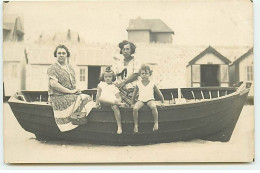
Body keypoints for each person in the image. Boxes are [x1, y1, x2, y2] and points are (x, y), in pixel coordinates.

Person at [47, 45, 94, 132]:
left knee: (85, 97)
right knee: (86, 98)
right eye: (59, 53)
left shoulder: (70, 68)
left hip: (69, 94)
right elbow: (54, 85)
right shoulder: (52, 68)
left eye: (63, 53)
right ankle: (71, 123)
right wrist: (71, 91)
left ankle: (77, 120)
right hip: (58, 97)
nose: (61, 55)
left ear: (67, 55)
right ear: (55, 55)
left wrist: (75, 90)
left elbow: (72, 84)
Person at [131, 64, 165, 133]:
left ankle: (156, 123)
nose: (144, 75)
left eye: (146, 73)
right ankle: (136, 124)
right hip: (141, 100)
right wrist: (132, 103)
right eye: (142, 73)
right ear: (140, 75)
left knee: (153, 106)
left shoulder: (152, 83)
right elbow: (134, 95)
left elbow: (159, 93)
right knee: (135, 108)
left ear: (150, 74)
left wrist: (162, 101)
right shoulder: (138, 84)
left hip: (150, 99)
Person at [95, 67, 125, 134]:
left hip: (113, 102)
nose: (107, 78)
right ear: (103, 77)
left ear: (113, 77)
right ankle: (117, 104)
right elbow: (98, 94)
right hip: (103, 101)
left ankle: (119, 126)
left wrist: (118, 101)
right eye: (106, 77)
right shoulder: (101, 84)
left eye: (109, 77)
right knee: (100, 98)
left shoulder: (114, 87)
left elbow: (119, 97)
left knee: (115, 107)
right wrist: (96, 104)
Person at [112, 40, 141, 107]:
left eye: (127, 49)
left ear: (132, 50)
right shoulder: (118, 62)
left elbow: (136, 74)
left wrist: (124, 82)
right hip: (120, 90)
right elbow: (113, 74)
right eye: (123, 49)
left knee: (132, 104)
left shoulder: (136, 61)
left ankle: (129, 103)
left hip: (133, 90)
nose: (125, 51)